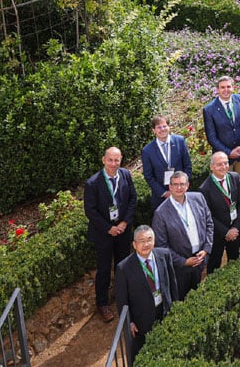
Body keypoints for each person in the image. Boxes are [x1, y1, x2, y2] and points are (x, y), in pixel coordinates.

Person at [84, 147, 136, 321]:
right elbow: (90, 211)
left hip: (123, 230)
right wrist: (109, 228)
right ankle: (103, 304)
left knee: (123, 264)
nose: (114, 164)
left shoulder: (126, 175)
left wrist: (124, 223)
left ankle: (124, 297)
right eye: (110, 160)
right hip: (103, 233)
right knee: (104, 269)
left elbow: (132, 200)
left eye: (117, 160)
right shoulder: (92, 183)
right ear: (103, 160)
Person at [114, 225, 180, 358]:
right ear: (134, 244)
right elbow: (122, 299)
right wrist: (130, 322)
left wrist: (176, 306)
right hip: (141, 319)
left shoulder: (164, 255)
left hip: (164, 310)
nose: (146, 244)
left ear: (154, 241)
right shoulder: (124, 268)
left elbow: (172, 284)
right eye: (141, 241)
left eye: (149, 239)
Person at [202, 76, 240, 229]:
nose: (226, 90)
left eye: (228, 87)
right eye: (222, 87)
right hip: (223, 159)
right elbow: (211, 137)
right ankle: (228, 218)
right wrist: (227, 153)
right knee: (225, 188)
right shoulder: (209, 109)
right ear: (217, 90)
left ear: (233, 87)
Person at [151, 171, 212, 297]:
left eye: (182, 184)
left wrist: (206, 249)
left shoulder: (198, 198)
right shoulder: (160, 213)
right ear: (170, 187)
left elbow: (209, 224)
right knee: (181, 300)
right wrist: (184, 262)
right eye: (176, 184)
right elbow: (161, 246)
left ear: (188, 185)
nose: (179, 188)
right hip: (179, 269)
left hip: (200, 259)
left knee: (197, 295)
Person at [200, 151, 240, 273]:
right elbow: (208, 216)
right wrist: (226, 232)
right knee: (215, 262)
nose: (224, 167)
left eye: (226, 163)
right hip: (217, 234)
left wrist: (236, 227)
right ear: (211, 167)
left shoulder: (234, 177)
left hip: (235, 229)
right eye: (219, 164)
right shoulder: (205, 189)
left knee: (235, 257)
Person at [141, 115, 192, 203]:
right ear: (154, 130)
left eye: (164, 126)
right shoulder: (147, 151)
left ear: (168, 127)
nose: (162, 129)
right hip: (162, 199)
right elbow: (148, 176)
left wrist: (183, 186)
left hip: (182, 192)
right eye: (159, 127)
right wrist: (164, 193)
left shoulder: (180, 141)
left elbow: (187, 165)